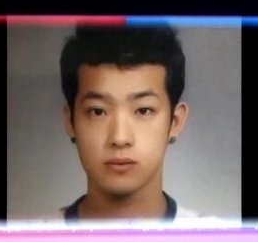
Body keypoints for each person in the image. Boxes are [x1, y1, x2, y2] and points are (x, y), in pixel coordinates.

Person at [59, 24, 191, 221]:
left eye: (143, 110)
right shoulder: (27, 237)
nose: (120, 138)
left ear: (175, 121)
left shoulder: (220, 238)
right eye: (98, 111)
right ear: (70, 121)